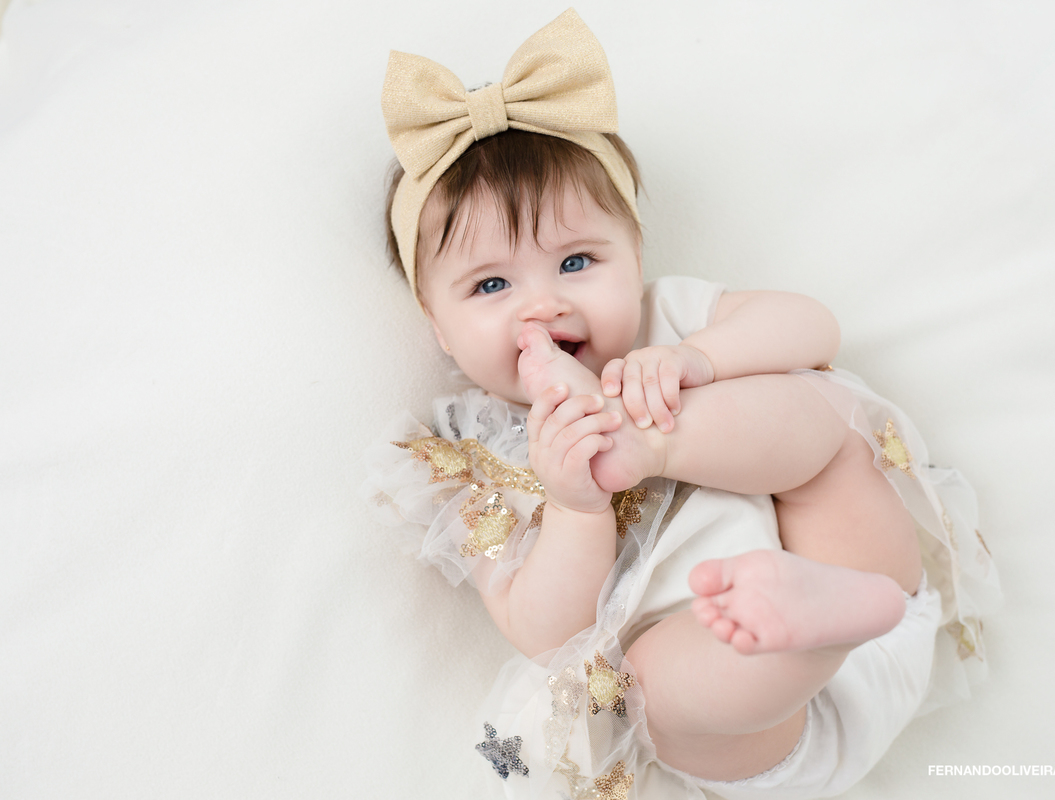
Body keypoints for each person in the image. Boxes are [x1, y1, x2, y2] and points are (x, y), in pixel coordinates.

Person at [363, 10, 1000, 799]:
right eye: (492, 285)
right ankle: (804, 633)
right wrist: (577, 505)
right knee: (651, 681)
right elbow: (545, 632)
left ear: (634, 257)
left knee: (821, 410)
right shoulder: (471, 453)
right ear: (440, 331)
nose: (543, 303)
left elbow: (812, 325)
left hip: (867, 583)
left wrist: (700, 360)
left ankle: (812, 585)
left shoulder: (669, 323)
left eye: (576, 260)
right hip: (750, 717)